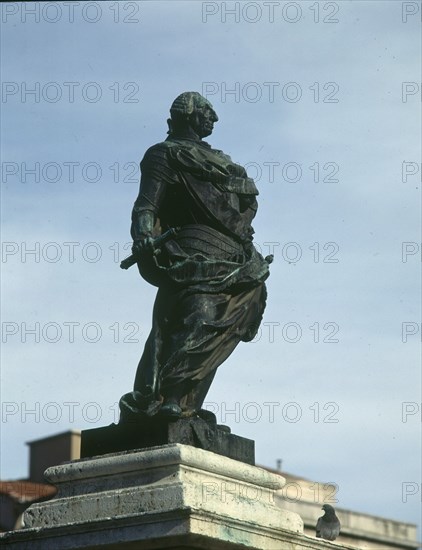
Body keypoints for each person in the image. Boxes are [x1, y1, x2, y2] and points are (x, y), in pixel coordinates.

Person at [119, 92, 271, 420]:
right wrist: (144, 235)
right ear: (188, 114)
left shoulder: (224, 162)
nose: (213, 118)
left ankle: (187, 402)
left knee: (222, 331)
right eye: (206, 111)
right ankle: (167, 397)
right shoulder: (164, 155)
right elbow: (146, 205)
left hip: (237, 259)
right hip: (193, 257)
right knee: (201, 319)